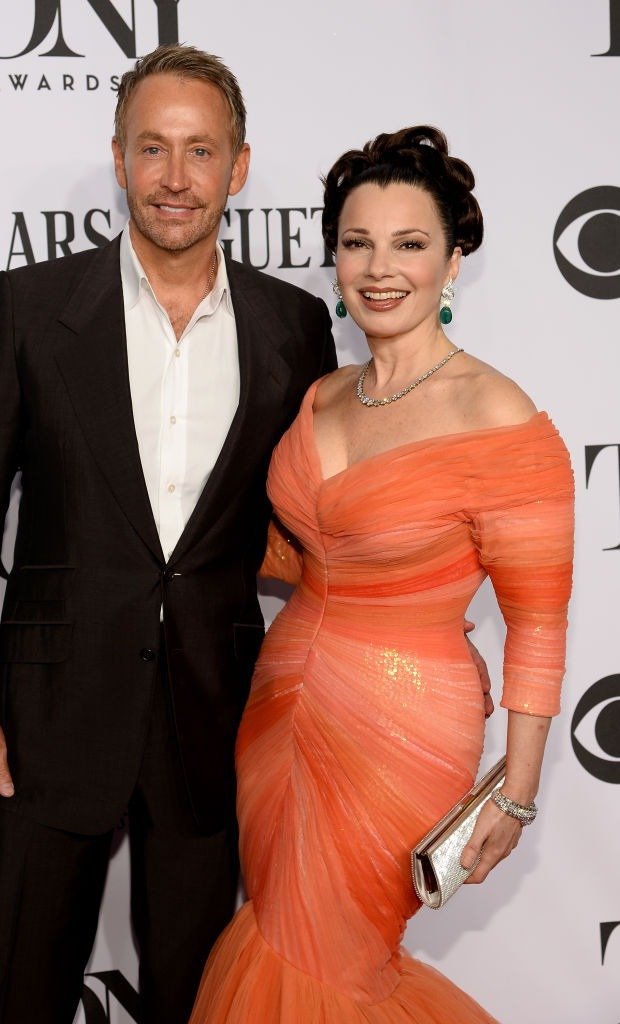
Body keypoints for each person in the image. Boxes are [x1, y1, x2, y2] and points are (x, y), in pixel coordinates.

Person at [0, 45, 339, 1024]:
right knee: (23, 991)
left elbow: (326, 525)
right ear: (118, 159)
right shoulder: (32, 308)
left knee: (195, 1000)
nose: (175, 178)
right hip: (44, 720)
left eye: (201, 152)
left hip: (215, 718)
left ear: (238, 167)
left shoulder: (295, 326)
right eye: (153, 148)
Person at [189, 127, 574, 1023]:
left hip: (401, 730)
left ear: (454, 258)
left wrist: (514, 796)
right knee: (282, 934)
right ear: (334, 255)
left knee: (333, 960)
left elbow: (539, 624)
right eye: (358, 242)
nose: (380, 267)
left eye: (410, 243)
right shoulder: (323, 392)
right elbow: (298, 546)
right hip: (279, 705)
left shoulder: (496, 413)